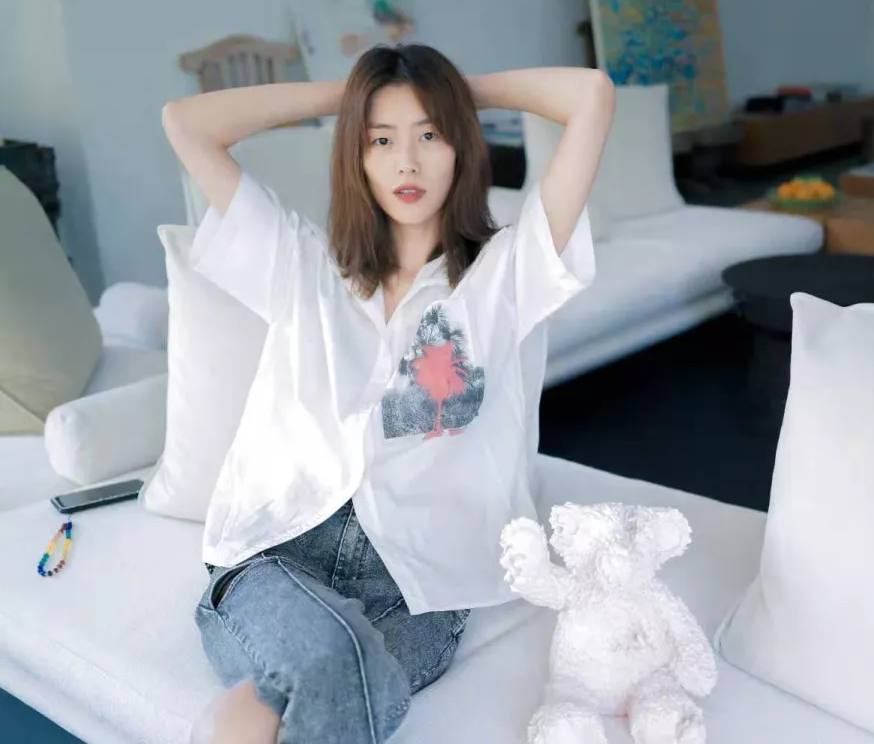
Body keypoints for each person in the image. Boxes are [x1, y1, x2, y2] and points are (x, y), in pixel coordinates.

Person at [162, 43, 614, 743]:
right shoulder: (303, 266)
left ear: (461, 147)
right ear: (357, 154)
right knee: (330, 664)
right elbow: (186, 122)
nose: (407, 162)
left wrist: (448, 88)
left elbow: (590, 95)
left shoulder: (504, 278)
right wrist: (351, 98)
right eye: (381, 140)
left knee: (286, 698)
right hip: (279, 555)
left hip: (419, 586)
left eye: (430, 135)